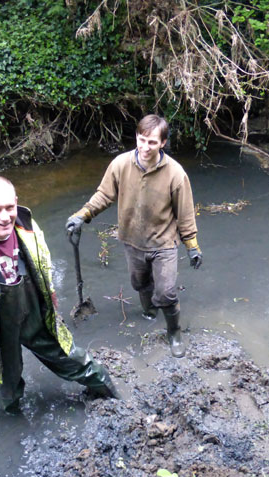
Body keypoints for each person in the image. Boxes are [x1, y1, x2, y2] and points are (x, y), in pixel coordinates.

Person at [0, 175, 118, 412]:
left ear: (16, 202)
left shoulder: (28, 228)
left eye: (9, 207)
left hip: (35, 312)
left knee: (74, 359)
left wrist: (53, 309)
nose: (5, 217)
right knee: (5, 386)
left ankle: (114, 396)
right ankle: (13, 431)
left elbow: (44, 269)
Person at [66, 114, 202, 358]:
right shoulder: (120, 164)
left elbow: (185, 213)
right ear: (136, 137)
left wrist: (192, 245)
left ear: (162, 143)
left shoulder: (176, 174)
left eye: (152, 142)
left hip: (164, 243)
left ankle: (174, 332)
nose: (145, 147)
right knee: (139, 284)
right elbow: (104, 195)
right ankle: (149, 310)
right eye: (141, 140)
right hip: (132, 240)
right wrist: (82, 215)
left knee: (167, 293)